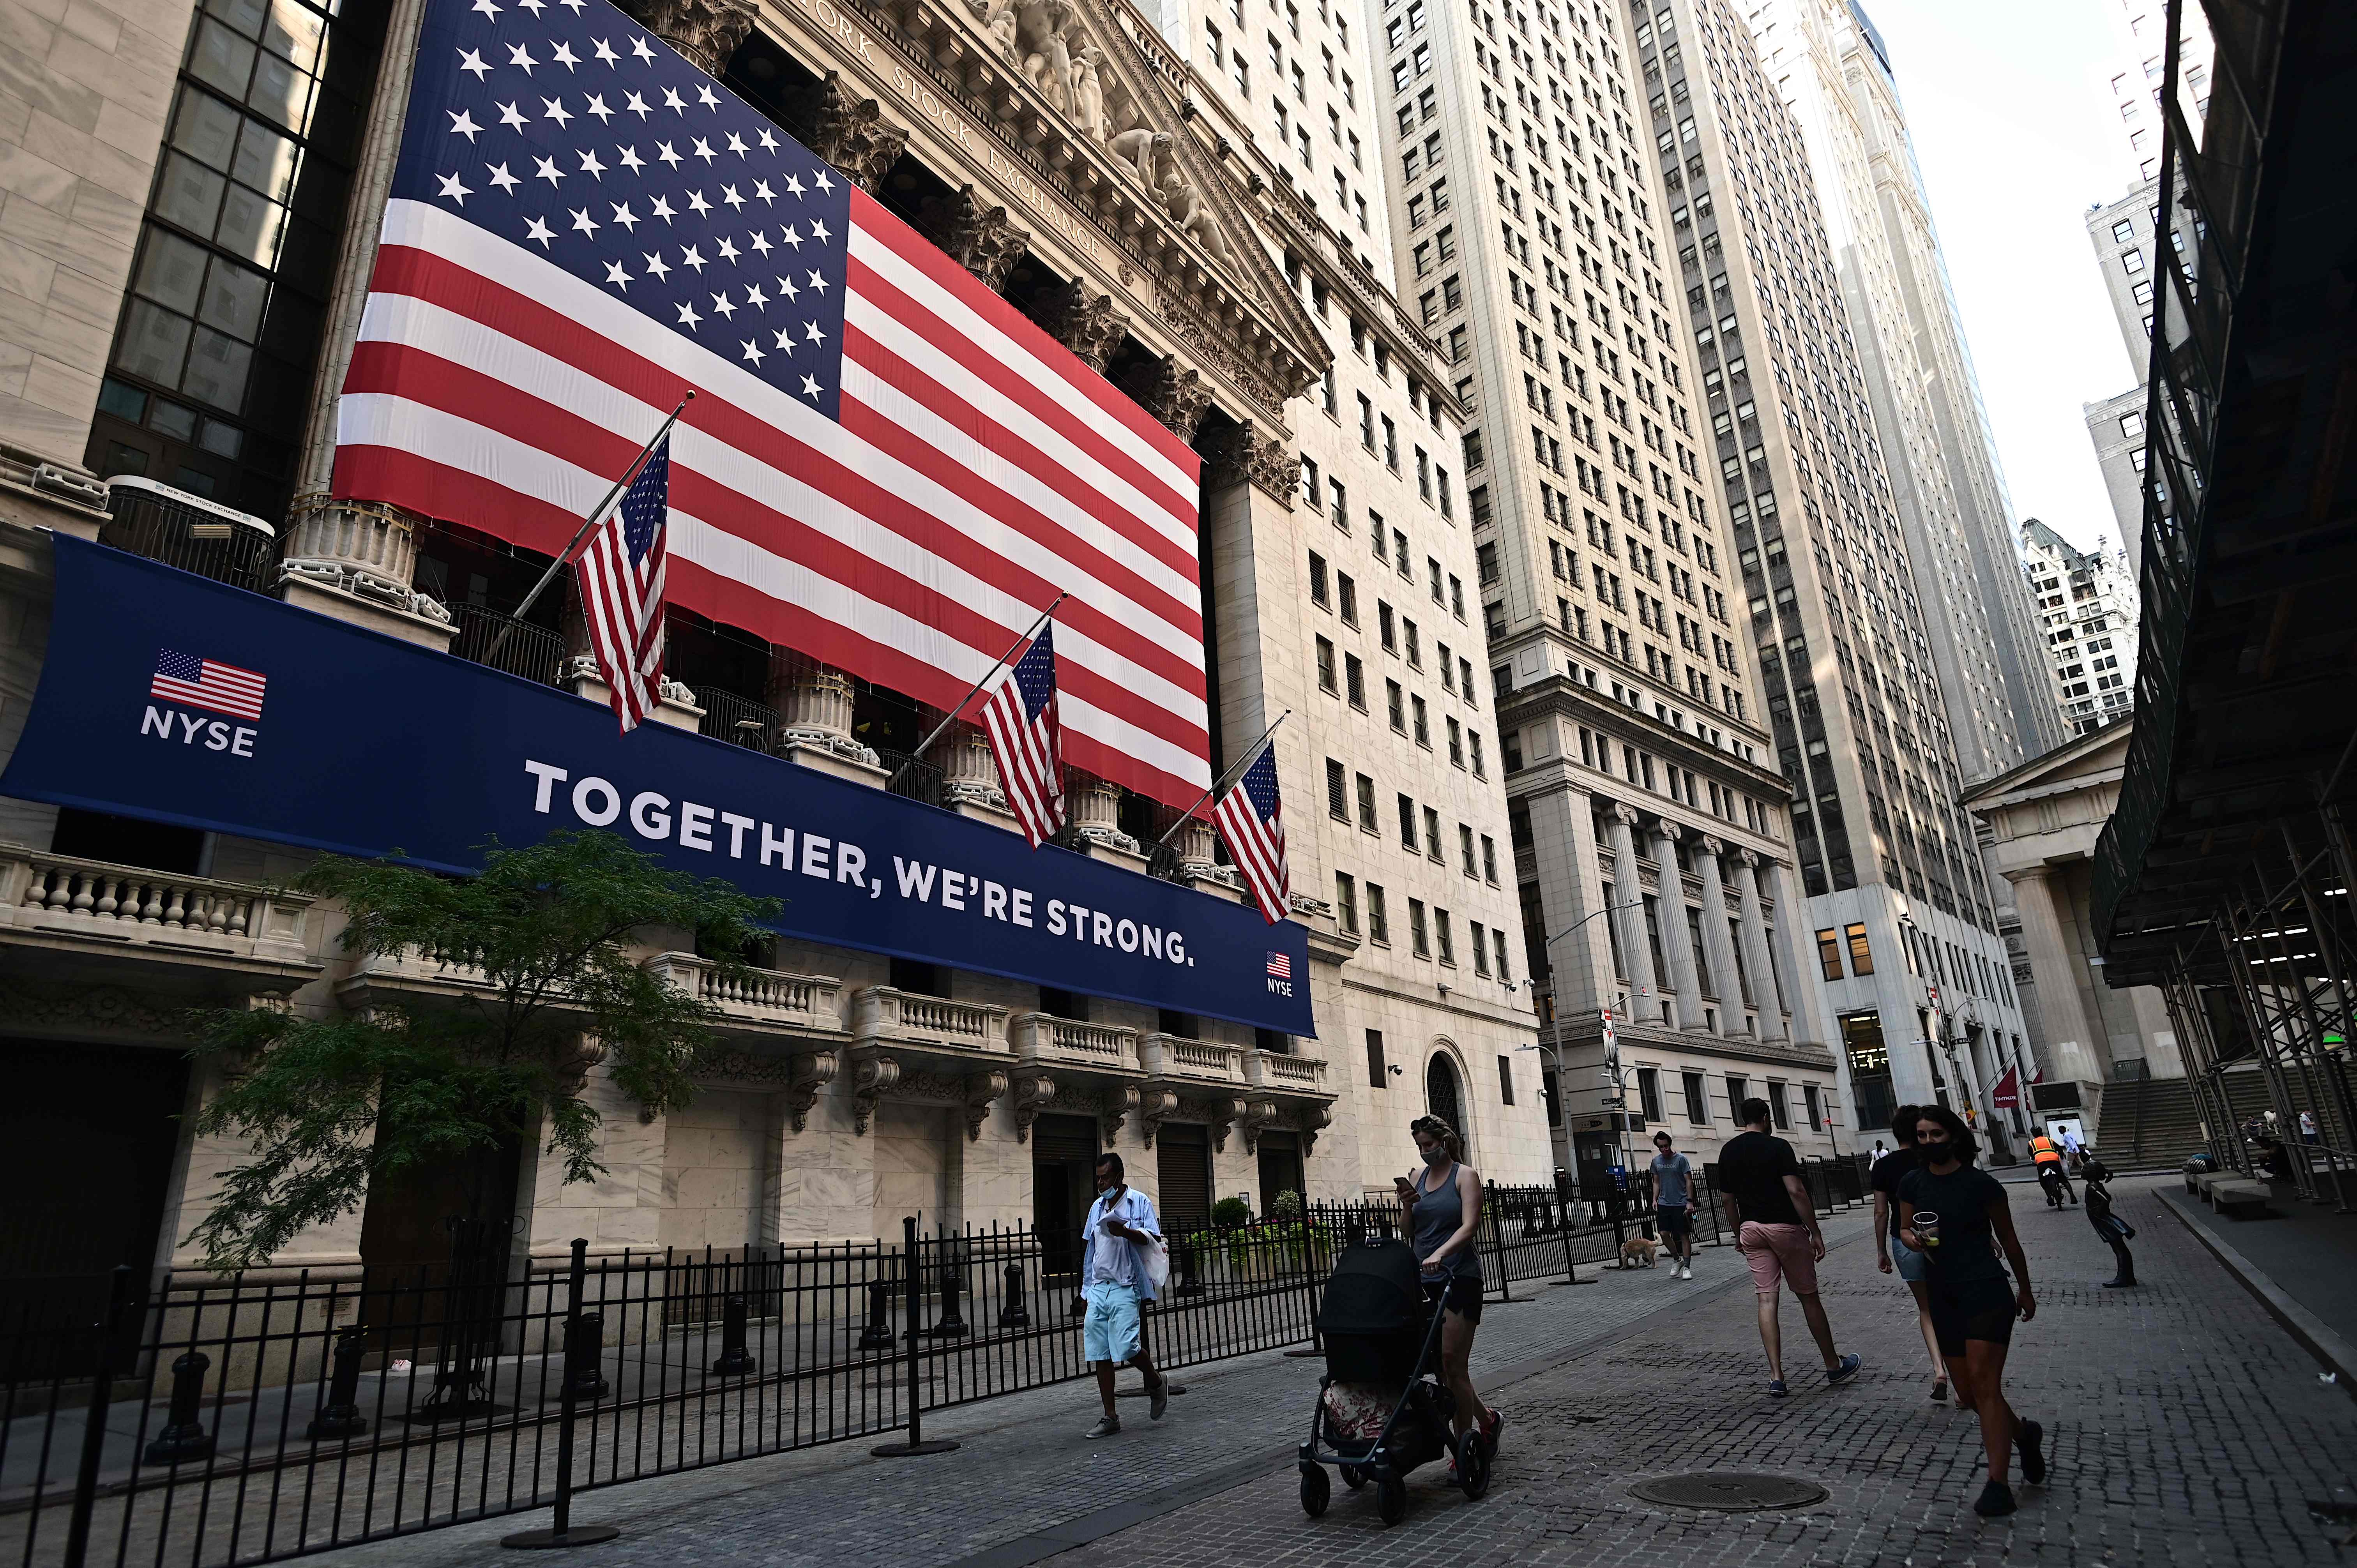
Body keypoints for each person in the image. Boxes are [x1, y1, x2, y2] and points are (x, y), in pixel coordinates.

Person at [1897, 1104, 2044, 1518]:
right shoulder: (1912, 1182)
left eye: (1936, 1134)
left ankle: (1998, 1484)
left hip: (1985, 1290)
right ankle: (2024, 1435)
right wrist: (1910, 1240)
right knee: (1968, 1393)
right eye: (1922, 1135)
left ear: (1954, 1136)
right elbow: (1905, 1227)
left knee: (1985, 1384)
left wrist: (2026, 1290)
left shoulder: (1983, 1186)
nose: (1929, 1142)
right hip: (1943, 1293)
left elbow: (2010, 1240)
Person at [1718, 1097, 1861, 1396]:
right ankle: (1833, 1365)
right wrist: (1815, 1230)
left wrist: (1737, 1233)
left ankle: (1776, 1376)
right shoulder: (1779, 1147)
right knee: (1809, 1297)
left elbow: (1728, 1201)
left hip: (1752, 1230)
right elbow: (1795, 1191)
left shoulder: (1728, 1151)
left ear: (1741, 1119)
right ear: (1767, 1117)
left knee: (1766, 1301)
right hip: (1785, 1228)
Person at [1396, 1114, 1502, 1455]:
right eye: (1419, 1146)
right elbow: (1408, 1232)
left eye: (1429, 1144)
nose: (1425, 1151)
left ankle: (1463, 1448)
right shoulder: (1417, 1177)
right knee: (1440, 1369)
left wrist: (1441, 1253)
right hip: (1423, 1281)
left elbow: (1470, 1227)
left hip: (1459, 1278)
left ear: (1443, 1141)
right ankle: (1487, 1420)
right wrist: (1407, 1207)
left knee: (1453, 1362)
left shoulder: (1465, 1176)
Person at [1078, 1152, 1170, 1438]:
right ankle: (1110, 1416)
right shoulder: (1097, 1207)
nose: (1100, 1182)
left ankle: (1156, 1382)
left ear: (1119, 1177)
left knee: (1128, 1347)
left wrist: (1126, 1232)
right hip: (1099, 1287)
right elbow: (1090, 1249)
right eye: (1098, 1177)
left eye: (1105, 1177)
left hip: (1125, 1285)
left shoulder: (1139, 1202)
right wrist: (1085, 1290)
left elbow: (1151, 1238)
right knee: (1100, 1353)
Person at [1869, 1104, 1948, 1402]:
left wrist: (1881, 1251)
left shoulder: (1884, 1166)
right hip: (1941, 1236)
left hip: (1903, 1239)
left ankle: (1939, 1370)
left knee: (1926, 1308)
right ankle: (1963, 1379)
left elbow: (1880, 1212)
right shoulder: (1930, 1158)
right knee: (1952, 1303)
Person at [1649, 1130, 1698, 1279]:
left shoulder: (1681, 1160)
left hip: (1681, 1203)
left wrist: (1690, 1202)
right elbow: (1656, 1182)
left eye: (1665, 1146)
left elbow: (1689, 1181)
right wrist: (1655, 1199)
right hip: (1665, 1202)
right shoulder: (1656, 1162)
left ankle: (1687, 1268)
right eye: (1661, 1147)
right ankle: (1677, 1260)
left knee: (1683, 1235)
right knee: (1664, 1234)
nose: (1664, 1149)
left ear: (1670, 1144)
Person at [2081, 1157, 2136, 1287]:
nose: (2082, 1170)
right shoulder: (2093, 1185)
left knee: (2119, 1249)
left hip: (2104, 1220)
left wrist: (2098, 1212)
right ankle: (2128, 1277)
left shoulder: (2092, 1187)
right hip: (2102, 1220)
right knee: (2120, 1248)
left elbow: (2106, 1199)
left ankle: (2123, 1278)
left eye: (2085, 1168)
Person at [2030, 1131, 2076, 1208]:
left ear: (2033, 1135)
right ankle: (2073, 1196)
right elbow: (2059, 1149)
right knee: (2063, 1179)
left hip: (2041, 1162)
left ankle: (2050, 1198)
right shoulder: (2049, 1140)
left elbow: (2031, 1154)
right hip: (2054, 1160)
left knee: (2043, 1181)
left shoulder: (2032, 1142)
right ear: (2042, 1133)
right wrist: (2061, 1157)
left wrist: (2034, 1158)